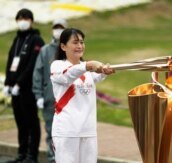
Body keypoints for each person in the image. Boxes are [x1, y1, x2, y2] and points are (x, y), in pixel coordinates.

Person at [50, 28, 114, 163]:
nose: (80, 46)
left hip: (88, 131)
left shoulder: (86, 71)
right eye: (75, 42)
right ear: (63, 46)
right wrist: (88, 65)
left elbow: (97, 75)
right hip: (67, 131)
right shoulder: (57, 66)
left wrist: (105, 71)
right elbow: (68, 75)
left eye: (81, 42)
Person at [3, 8, 44, 163]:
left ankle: (31, 156)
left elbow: (32, 64)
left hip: (27, 89)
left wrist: (19, 83)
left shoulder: (36, 40)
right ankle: (22, 154)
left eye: (25, 18)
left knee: (31, 122)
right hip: (14, 90)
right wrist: (8, 83)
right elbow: (10, 61)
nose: (23, 21)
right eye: (20, 18)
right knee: (20, 122)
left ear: (31, 20)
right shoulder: (17, 39)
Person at [32, 18, 67, 163]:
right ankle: (53, 159)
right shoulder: (45, 50)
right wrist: (38, 95)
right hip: (49, 98)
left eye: (61, 28)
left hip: (66, 99)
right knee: (51, 131)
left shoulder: (69, 50)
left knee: (66, 132)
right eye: (56, 28)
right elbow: (37, 73)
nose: (58, 30)